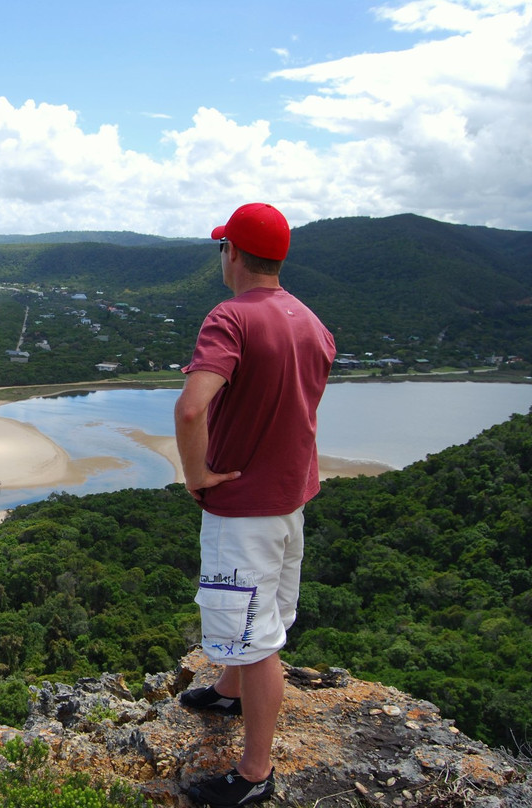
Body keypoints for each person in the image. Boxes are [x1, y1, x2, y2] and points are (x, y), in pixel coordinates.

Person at [174, 203, 335, 806]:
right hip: (289, 503)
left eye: (223, 247)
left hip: (242, 510)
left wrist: (198, 475)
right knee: (264, 618)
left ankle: (254, 774)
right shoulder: (312, 321)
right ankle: (228, 689)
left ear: (233, 253)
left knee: (259, 639)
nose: (222, 255)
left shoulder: (231, 317)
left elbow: (191, 407)